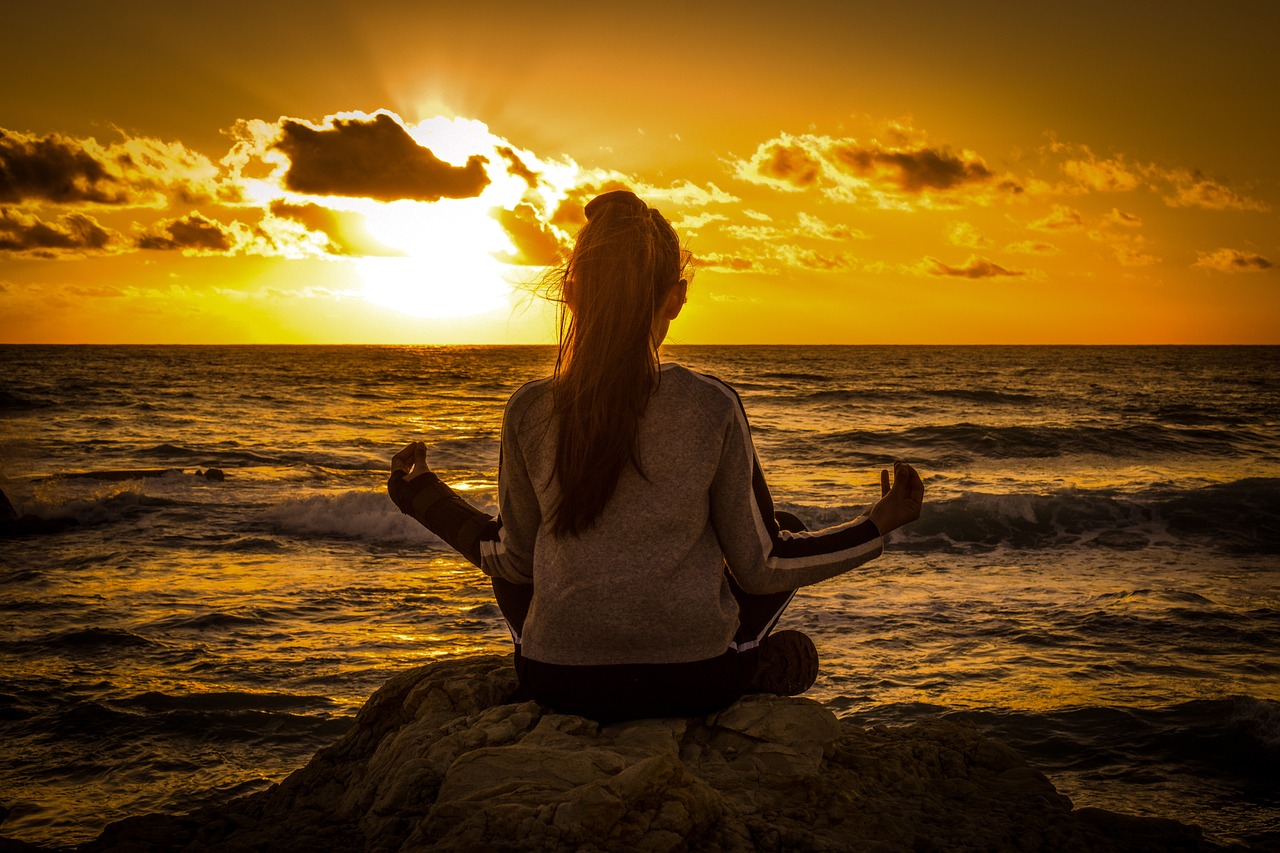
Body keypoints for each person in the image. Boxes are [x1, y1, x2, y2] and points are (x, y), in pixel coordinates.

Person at [388, 189, 923, 721]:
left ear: (571, 294)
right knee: (780, 529)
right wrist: (877, 525)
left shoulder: (530, 408)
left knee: (509, 549)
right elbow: (762, 567)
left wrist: (423, 496)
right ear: (677, 296)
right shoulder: (710, 404)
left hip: (558, 681)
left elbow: (513, 561)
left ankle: (741, 661)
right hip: (691, 683)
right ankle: (751, 663)